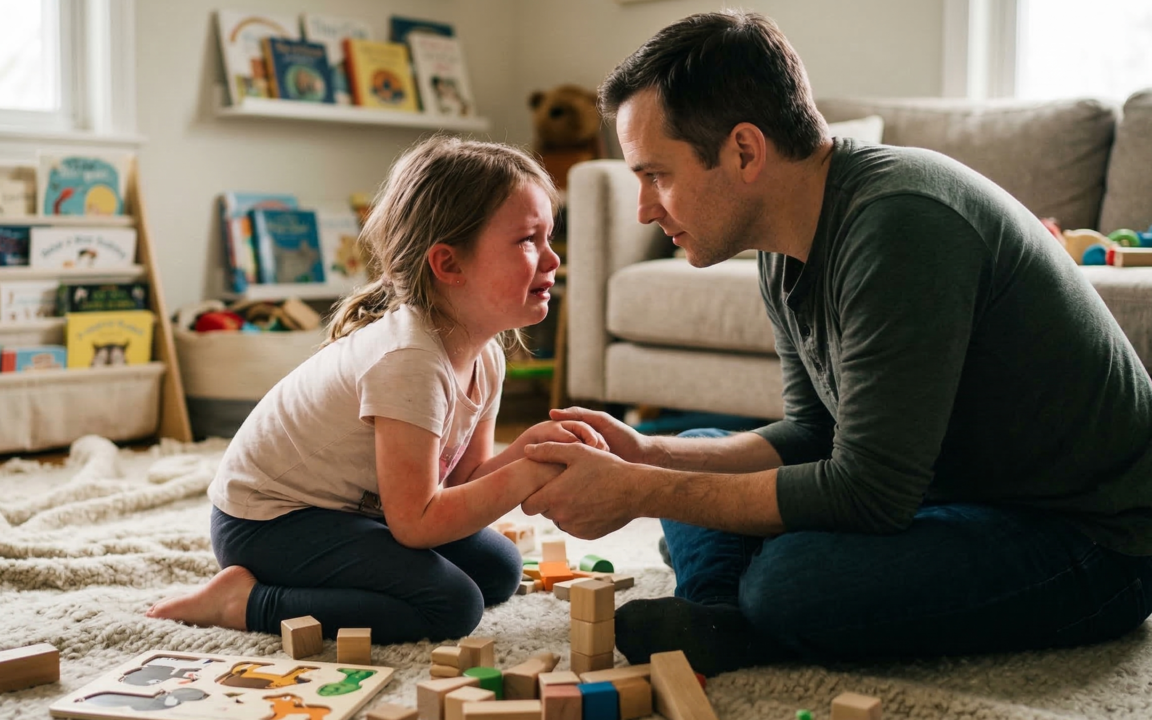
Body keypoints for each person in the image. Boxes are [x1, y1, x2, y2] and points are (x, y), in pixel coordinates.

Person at [519, 10, 1152, 676]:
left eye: (657, 175)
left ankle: (745, 614)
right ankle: (721, 620)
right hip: (948, 490)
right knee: (698, 452)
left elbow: (868, 495)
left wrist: (640, 491)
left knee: (792, 578)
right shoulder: (779, 242)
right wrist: (648, 454)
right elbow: (816, 431)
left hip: (1091, 540)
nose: (646, 208)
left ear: (744, 151)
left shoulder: (902, 225)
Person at [148, 136, 605, 643]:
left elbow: (461, 480)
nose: (552, 259)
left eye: (548, 238)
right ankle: (245, 601)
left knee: (499, 569)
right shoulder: (409, 361)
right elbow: (418, 523)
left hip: (355, 513)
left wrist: (530, 450)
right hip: (268, 523)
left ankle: (296, 588)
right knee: (452, 606)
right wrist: (527, 475)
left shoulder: (487, 353)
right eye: (527, 241)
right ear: (449, 265)